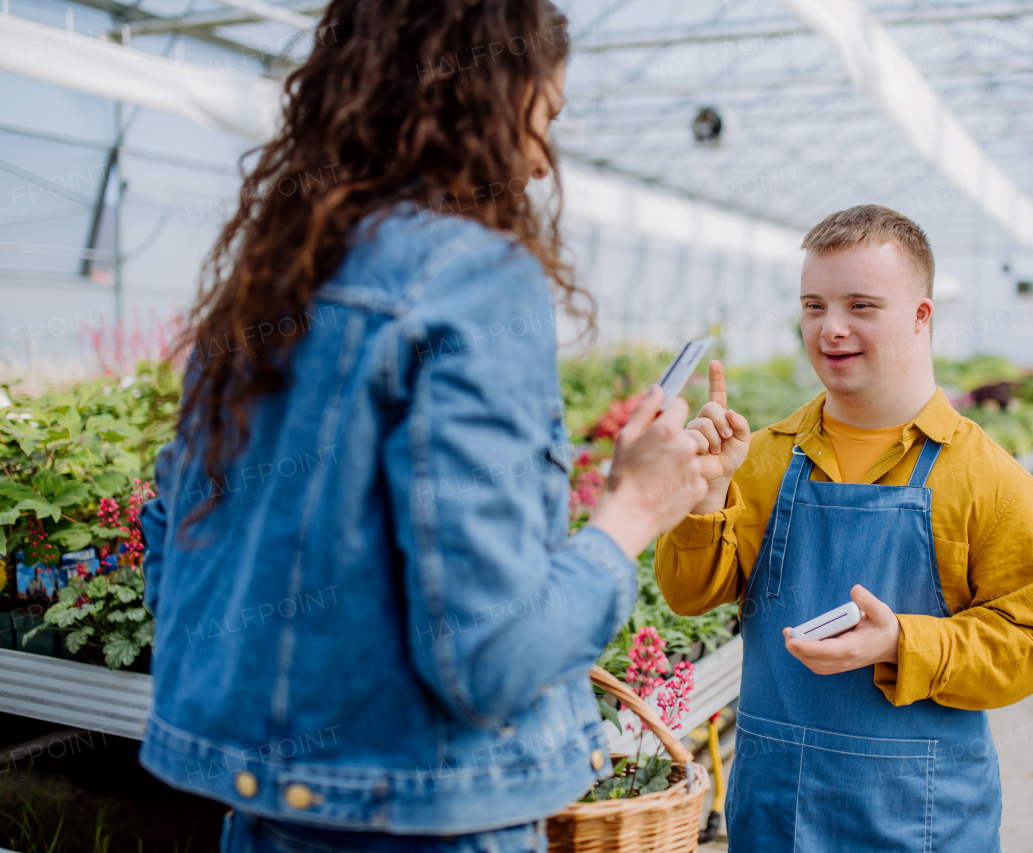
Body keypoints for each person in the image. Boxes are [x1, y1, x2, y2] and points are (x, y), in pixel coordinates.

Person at [137, 2, 707, 852]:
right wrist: (634, 506)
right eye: (541, 116)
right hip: (427, 824)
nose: (545, 161)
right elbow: (493, 657)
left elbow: (175, 573)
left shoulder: (268, 283)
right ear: (484, 101)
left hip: (266, 820)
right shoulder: (471, 280)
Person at [655, 205, 1033, 852]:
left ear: (921, 317)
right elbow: (688, 595)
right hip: (774, 811)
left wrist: (902, 641)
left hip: (921, 819)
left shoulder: (992, 482)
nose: (830, 328)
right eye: (813, 305)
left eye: (861, 305)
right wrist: (706, 493)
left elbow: (1032, 646)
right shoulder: (760, 458)